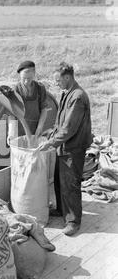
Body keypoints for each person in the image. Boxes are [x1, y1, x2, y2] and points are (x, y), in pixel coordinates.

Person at [39, 62, 92, 236]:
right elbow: (60, 122)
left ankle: (73, 221)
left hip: (72, 148)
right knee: (59, 179)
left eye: (57, 80)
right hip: (63, 146)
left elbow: (69, 128)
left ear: (67, 77)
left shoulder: (77, 97)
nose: (56, 83)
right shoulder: (66, 93)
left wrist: (51, 142)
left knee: (71, 184)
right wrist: (49, 134)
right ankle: (63, 210)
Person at [7, 60, 49, 143]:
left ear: (34, 74)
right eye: (24, 79)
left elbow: (44, 109)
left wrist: (39, 128)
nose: (26, 82)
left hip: (36, 129)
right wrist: (11, 133)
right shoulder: (16, 90)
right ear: (19, 76)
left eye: (29, 79)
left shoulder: (40, 88)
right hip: (20, 131)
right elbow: (12, 115)